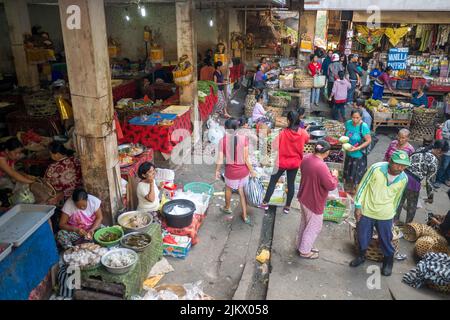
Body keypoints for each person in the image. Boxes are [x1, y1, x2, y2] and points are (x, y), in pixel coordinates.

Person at [350, 150, 410, 276]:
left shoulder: (404, 178)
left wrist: (392, 214)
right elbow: (362, 187)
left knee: (386, 239)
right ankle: (361, 256)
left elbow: (397, 198)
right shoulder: (376, 168)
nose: (400, 168)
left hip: (385, 214)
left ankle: (388, 263)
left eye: (403, 165)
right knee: (362, 236)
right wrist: (358, 206)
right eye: (398, 164)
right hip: (367, 211)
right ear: (390, 161)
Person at [260, 111, 310, 214]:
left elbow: (273, 147)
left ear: (288, 120)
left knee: (273, 182)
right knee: (290, 184)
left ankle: (265, 203)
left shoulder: (283, 133)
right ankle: (287, 207)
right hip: (294, 163)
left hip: (281, 162)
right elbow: (307, 140)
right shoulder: (303, 132)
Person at [296, 141, 339, 259]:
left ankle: (302, 245)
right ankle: (305, 251)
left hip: (304, 196)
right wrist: (335, 175)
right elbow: (331, 185)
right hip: (313, 201)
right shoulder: (321, 166)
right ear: (326, 153)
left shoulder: (307, 158)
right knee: (314, 227)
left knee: (305, 224)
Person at [395, 140, 448, 224]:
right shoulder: (434, 161)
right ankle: (408, 226)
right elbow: (430, 181)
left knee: (399, 201)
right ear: (439, 150)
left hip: (402, 176)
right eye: (442, 153)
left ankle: (394, 221)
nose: (441, 155)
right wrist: (430, 197)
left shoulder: (422, 149)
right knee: (412, 206)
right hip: (413, 183)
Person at [215, 118, 256, 224]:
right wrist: (252, 171)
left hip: (231, 173)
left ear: (225, 129)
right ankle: (245, 216)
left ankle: (227, 207)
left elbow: (220, 159)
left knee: (228, 189)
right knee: (242, 192)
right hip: (244, 172)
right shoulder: (244, 139)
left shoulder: (222, 141)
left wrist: (217, 171)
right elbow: (246, 159)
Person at [343, 110, 372, 194]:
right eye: (353, 117)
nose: (355, 120)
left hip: (358, 155)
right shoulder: (348, 123)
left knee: (356, 174)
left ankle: (356, 192)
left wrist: (358, 148)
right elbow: (346, 134)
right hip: (349, 153)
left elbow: (368, 140)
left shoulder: (363, 126)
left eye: (357, 118)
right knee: (348, 171)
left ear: (361, 117)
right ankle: (348, 189)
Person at [436, 117, 450, 187]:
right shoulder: (448, 122)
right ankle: (438, 180)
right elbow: (443, 133)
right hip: (447, 150)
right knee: (444, 165)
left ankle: (447, 179)